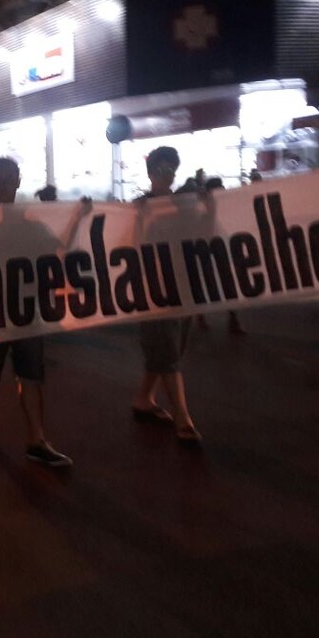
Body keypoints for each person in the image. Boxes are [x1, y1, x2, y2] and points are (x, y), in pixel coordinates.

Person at [0, 157, 72, 468]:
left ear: (18, 181)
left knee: (31, 377)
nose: (2, 184)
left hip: (26, 312)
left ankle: (37, 439)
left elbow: (61, 249)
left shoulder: (31, 223)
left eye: (8, 178)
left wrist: (79, 218)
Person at [131, 146, 202, 447]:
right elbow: (130, 242)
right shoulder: (139, 207)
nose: (168, 174)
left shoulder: (183, 205)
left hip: (181, 286)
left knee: (169, 350)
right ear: (150, 174)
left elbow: (201, 235)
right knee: (169, 353)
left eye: (172, 168)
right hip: (153, 289)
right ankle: (183, 420)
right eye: (162, 169)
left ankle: (144, 399)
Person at [195, 177, 245, 335]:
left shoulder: (221, 207)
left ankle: (232, 318)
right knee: (206, 283)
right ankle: (202, 316)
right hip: (207, 249)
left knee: (227, 283)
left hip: (220, 247)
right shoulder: (203, 208)